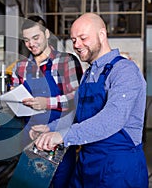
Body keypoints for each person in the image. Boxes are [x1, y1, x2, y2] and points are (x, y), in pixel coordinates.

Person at [31, 13, 149, 187]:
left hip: (117, 168)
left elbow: (112, 119)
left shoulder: (124, 71)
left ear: (102, 34)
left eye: (83, 38)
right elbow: (78, 115)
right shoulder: (89, 74)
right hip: (87, 163)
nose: (77, 45)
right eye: (73, 39)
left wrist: (62, 135)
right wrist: (50, 128)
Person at [11, 16, 83, 187]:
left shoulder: (66, 62)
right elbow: (15, 98)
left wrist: (47, 103)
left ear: (47, 34)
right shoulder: (20, 67)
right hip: (30, 136)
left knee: (60, 183)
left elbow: (77, 99)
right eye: (27, 40)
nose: (31, 44)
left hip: (60, 138)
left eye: (36, 38)